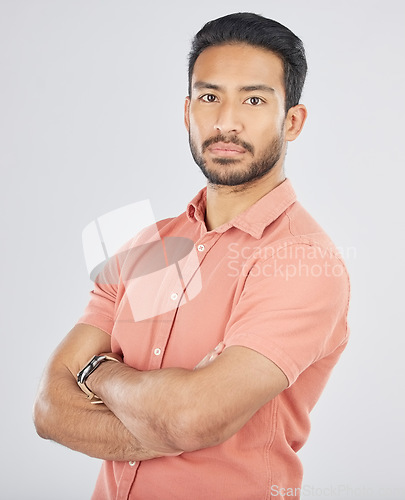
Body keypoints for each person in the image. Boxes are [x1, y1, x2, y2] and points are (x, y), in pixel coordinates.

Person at [34, 12, 350, 500]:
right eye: (209, 97)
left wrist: (98, 371)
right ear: (187, 112)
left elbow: (191, 419)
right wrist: (167, 421)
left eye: (254, 99)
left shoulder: (300, 260)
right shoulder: (146, 245)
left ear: (292, 121)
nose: (226, 121)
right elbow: (51, 409)